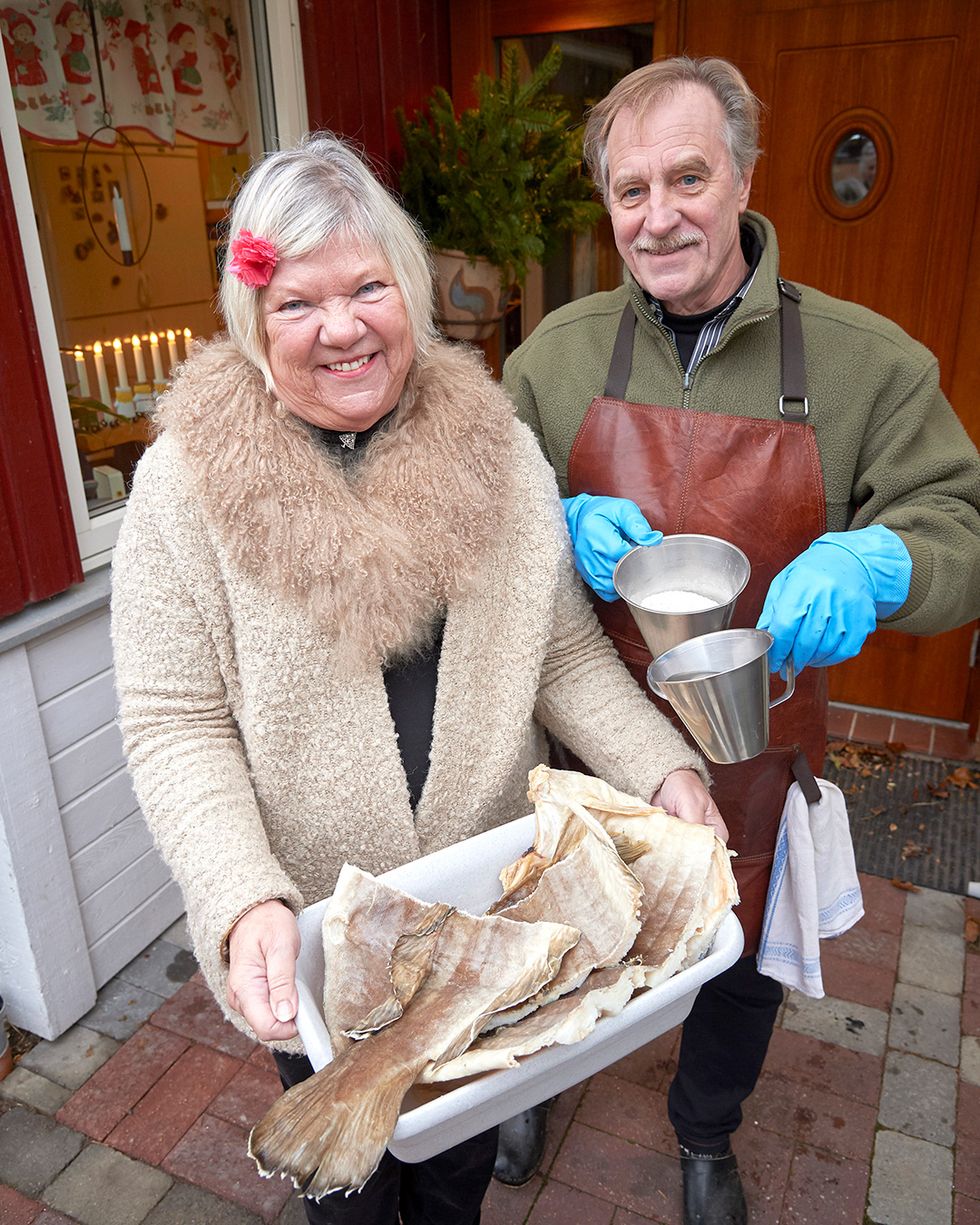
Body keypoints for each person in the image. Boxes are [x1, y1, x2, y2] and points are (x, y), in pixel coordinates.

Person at [110, 132, 725, 1225]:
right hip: (320, 934)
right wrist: (241, 895)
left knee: (452, 1172)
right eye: (296, 303)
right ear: (253, 323)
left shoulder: (495, 445)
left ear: (412, 288)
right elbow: (174, 719)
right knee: (348, 1186)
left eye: (366, 286)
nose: (341, 327)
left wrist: (660, 768)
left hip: (478, 916)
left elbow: (563, 654)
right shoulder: (183, 487)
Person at [502, 55, 980, 1225]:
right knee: (550, 925)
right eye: (628, 191)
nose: (657, 216)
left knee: (738, 948)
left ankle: (702, 1130)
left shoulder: (869, 364)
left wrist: (882, 562)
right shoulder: (550, 358)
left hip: (758, 742)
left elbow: (958, 526)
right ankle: (523, 1080)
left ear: (743, 179)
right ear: (606, 206)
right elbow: (473, 513)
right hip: (579, 727)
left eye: (686, 177)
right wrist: (542, 522)